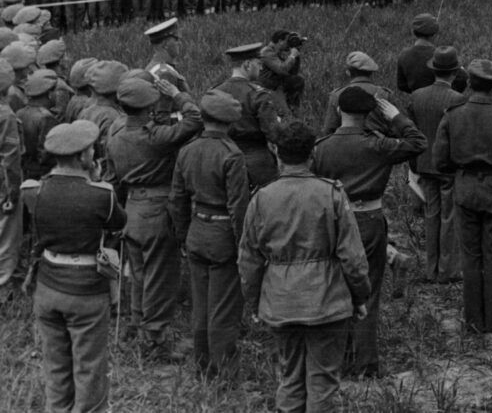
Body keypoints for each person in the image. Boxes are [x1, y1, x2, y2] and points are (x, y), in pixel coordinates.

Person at [239, 120, 371, 412]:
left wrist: (254, 302)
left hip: (280, 301)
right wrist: (360, 297)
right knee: (323, 382)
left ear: (276, 152)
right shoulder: (331, 194)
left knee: (289, 378)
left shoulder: (261, 198)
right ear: (312, 153)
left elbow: (249, 260)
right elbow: (352, 257)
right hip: (326, 302)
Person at [311, 86, 426, 378]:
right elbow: (417, 142)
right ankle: (365, 364)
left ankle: (339, 359)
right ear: (368, 115)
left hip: (333, 220)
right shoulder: (378, 144)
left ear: (339, 111)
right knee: (370, 291)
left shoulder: (321, 146)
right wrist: (397, 117)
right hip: (369, 219)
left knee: (336, 288)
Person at [22, 120, 127, 413]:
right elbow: (119, 223)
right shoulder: (102, 195)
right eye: (91, 150)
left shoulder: (33, 192)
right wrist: (93, 179)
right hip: (86, 291)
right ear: (84, 157)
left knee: (55, 366)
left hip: (47, 287)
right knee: (90, 367)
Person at [106, 74, 202, 359]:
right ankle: (156, 340)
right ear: (149, 106)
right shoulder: (155, 138)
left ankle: (137, 327)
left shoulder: (115, 136)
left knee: (139, 275)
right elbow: (195, 119)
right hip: (158, 211)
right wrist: (177, 93)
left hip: (131, 211)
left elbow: (113, 180)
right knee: (161, 276)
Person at [434, 59, 492, 333]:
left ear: (470, 83)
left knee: (470, 256)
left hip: (465, 188)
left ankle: (473, 319)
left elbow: (440, 161)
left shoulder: (452, 114)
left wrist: (461, 172)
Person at [169, 90, 250, 379]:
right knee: (224, 309)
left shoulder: (187, 150)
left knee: (200, 305)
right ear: (230, 122)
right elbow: (238, 206)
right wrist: (244, 246)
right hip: (222, 234)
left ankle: (202, 367)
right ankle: (225, 372)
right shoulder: (232, 155)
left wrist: (182, 236)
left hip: (196, 230)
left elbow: (177, 198)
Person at [407, 46, 465, 284]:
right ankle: (448, 270)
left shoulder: (416, 96)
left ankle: (431, 269)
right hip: (449, 166)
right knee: (449, 217)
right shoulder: (458, 99)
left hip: (424, 163)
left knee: (432, 215)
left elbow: (411, 131)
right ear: (454, 73)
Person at [214, 43, 284, 190]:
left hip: (222, 160)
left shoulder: (216, 93)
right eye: (258, 63)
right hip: (257, 163)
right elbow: (274, 133)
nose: (261, 67)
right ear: (247, 64)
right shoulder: (258, 95)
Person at [0, 60, 23, 297]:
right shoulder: (5, 115)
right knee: (6, 232)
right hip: (3, 182)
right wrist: (13, 191)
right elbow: (10, 157)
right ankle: (2, 287)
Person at [259, 30, 306, 112]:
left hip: (276, 84)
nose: (289, 44)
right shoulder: (266, 52)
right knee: (285, 112)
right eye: (287, 41)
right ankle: (287, 109)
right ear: (280, 41)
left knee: (298, 80)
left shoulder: (277, 52)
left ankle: (292, 107)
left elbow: (292, 73)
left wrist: (296, 56)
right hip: (268, 86)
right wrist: (292, 56)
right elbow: (282, 70)